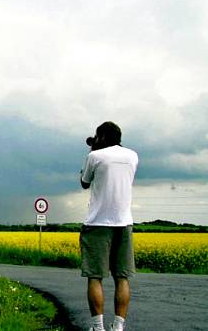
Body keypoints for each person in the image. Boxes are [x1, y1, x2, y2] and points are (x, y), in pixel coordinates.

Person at [79, 121, 139, 331]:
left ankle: (98, 327)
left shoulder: (94, 157)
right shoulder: (133, 155)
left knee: (95, 276)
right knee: (122, 277)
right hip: (124, 223)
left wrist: (92, 150)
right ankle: (118, 327)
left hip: (97, 223)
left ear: (102, 136)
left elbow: (85, 182)